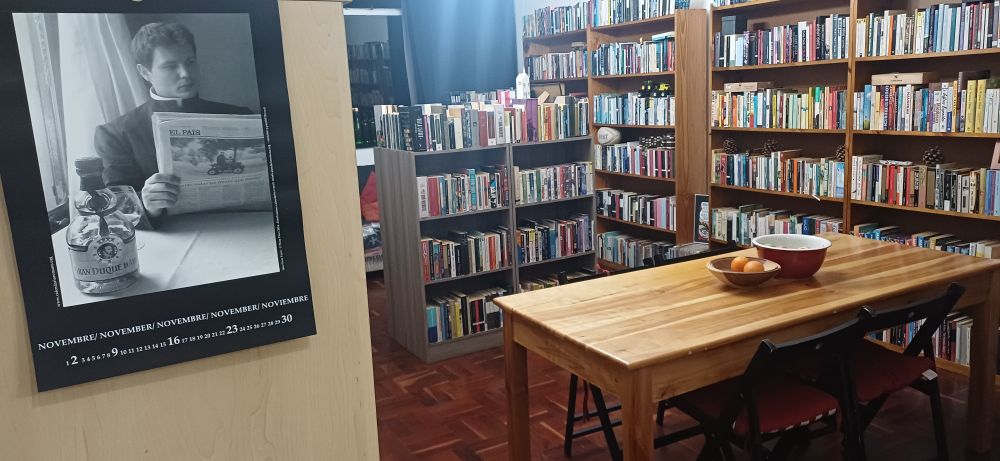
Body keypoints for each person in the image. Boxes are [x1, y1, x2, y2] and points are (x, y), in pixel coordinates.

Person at [94, 22, 252, 219]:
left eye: (190, 62)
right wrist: (147, 204)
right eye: (170, 66)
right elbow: (120, 210)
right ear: (145, 72)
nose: (185, 74)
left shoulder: (239, 116)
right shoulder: (115, 134)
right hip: (170, 237)